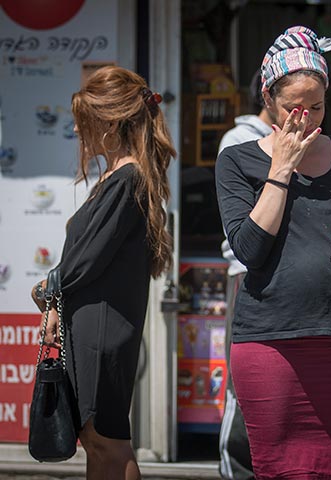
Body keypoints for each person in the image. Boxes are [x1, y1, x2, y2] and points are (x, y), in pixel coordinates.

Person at [215, 26, 331, 479]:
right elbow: (250, 249)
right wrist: (282, 169)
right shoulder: (238, 160)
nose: (307, 118)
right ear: (268, 100)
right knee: (279, 470)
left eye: (317, 106)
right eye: (293, 107)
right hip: (271, 344)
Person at [31, 66, 176, 480]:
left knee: (108, 441)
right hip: (93, 322)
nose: (77, 131)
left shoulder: (127, 178)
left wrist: (47, 288)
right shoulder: (120, 177)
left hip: (103, 328)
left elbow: (86, 260)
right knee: (97, 441)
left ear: (110, 122)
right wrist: (57, 303)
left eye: (85, 121)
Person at [218, 69, 273, 480]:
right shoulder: (238, 143)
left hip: (294, 281)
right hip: (248, 276)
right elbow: (248, 232)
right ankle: (236, 470)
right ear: (269, 96)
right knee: (245, 387)